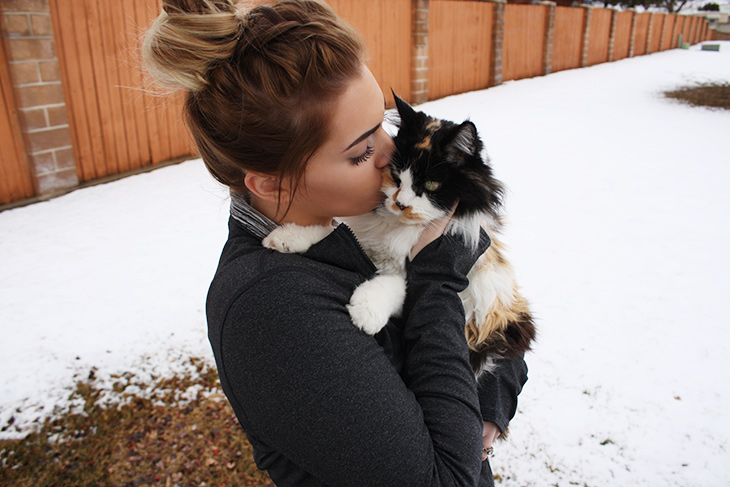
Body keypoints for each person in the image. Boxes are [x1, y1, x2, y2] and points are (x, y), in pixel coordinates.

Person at [143, 1, 528, 485]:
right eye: (362, 150)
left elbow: (499, 327)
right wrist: (436, 283)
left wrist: (487, 406)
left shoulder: (346, 224)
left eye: (382, 124)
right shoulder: (273, 311)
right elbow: (445, 479)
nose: (390, 153)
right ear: (271, 182)